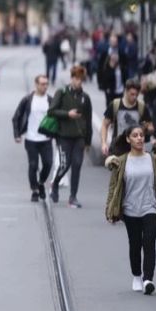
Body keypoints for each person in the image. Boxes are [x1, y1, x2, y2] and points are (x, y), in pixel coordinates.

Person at [105, 125, 156, 295]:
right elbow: (113, 188)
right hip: (130, 210)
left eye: (141, 135)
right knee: (135, 245)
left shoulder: (154, 159)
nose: (140, 138)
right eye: (135, 135)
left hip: (151, 208)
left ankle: (147, 279)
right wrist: (110, 210)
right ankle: (136, 275)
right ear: (128, 139)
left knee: (149, 243)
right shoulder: (121, 161)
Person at [48, 65, 93, 208]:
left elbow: (88, 119)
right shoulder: (61, 92)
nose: (79, 82)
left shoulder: (85, 98)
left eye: (81, 79)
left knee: (77, 165)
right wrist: (68, 114)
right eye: (77, 79)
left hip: (79, 136)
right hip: (63, 135)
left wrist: (88, 141)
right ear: (72, 78)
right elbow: (51, 111)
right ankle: (55, 184)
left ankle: (73, 196)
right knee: (64, 164)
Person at [12, 75, 53, 202]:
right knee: (33, 165)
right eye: (42, 84)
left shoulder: (50, 100)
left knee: (48, 163)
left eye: (46, 84)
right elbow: (16, 117)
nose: (44, 86)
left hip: (46, 139)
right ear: (36, 84)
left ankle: (40, 182)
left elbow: (57, 118)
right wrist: (17, 134)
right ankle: (34, 190)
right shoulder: (28, 100)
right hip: (31, 139)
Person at [100, 80, 152, 157]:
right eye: (132, 94)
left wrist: (148, 128)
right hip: (117, 149)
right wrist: (104, 143)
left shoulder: (142, 107)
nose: (134, 97)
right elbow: (104, 125)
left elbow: (149, 125)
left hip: (135, 150)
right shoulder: (115, 104)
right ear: (126, 91)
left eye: (136, 95)